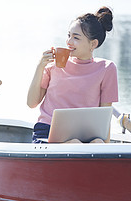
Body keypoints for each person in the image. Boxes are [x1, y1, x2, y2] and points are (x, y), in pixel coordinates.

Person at [27, 7, 118, 143]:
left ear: (93, 44)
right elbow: (31, 103)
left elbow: (105, 116)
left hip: (85, 134)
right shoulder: (54, 65)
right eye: (68, 35)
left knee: (98, 143)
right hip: (48, 132)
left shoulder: (107, 69)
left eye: (76, 38)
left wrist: (106, 148)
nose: (69, 42)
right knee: (74, 144)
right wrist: (40, 67)